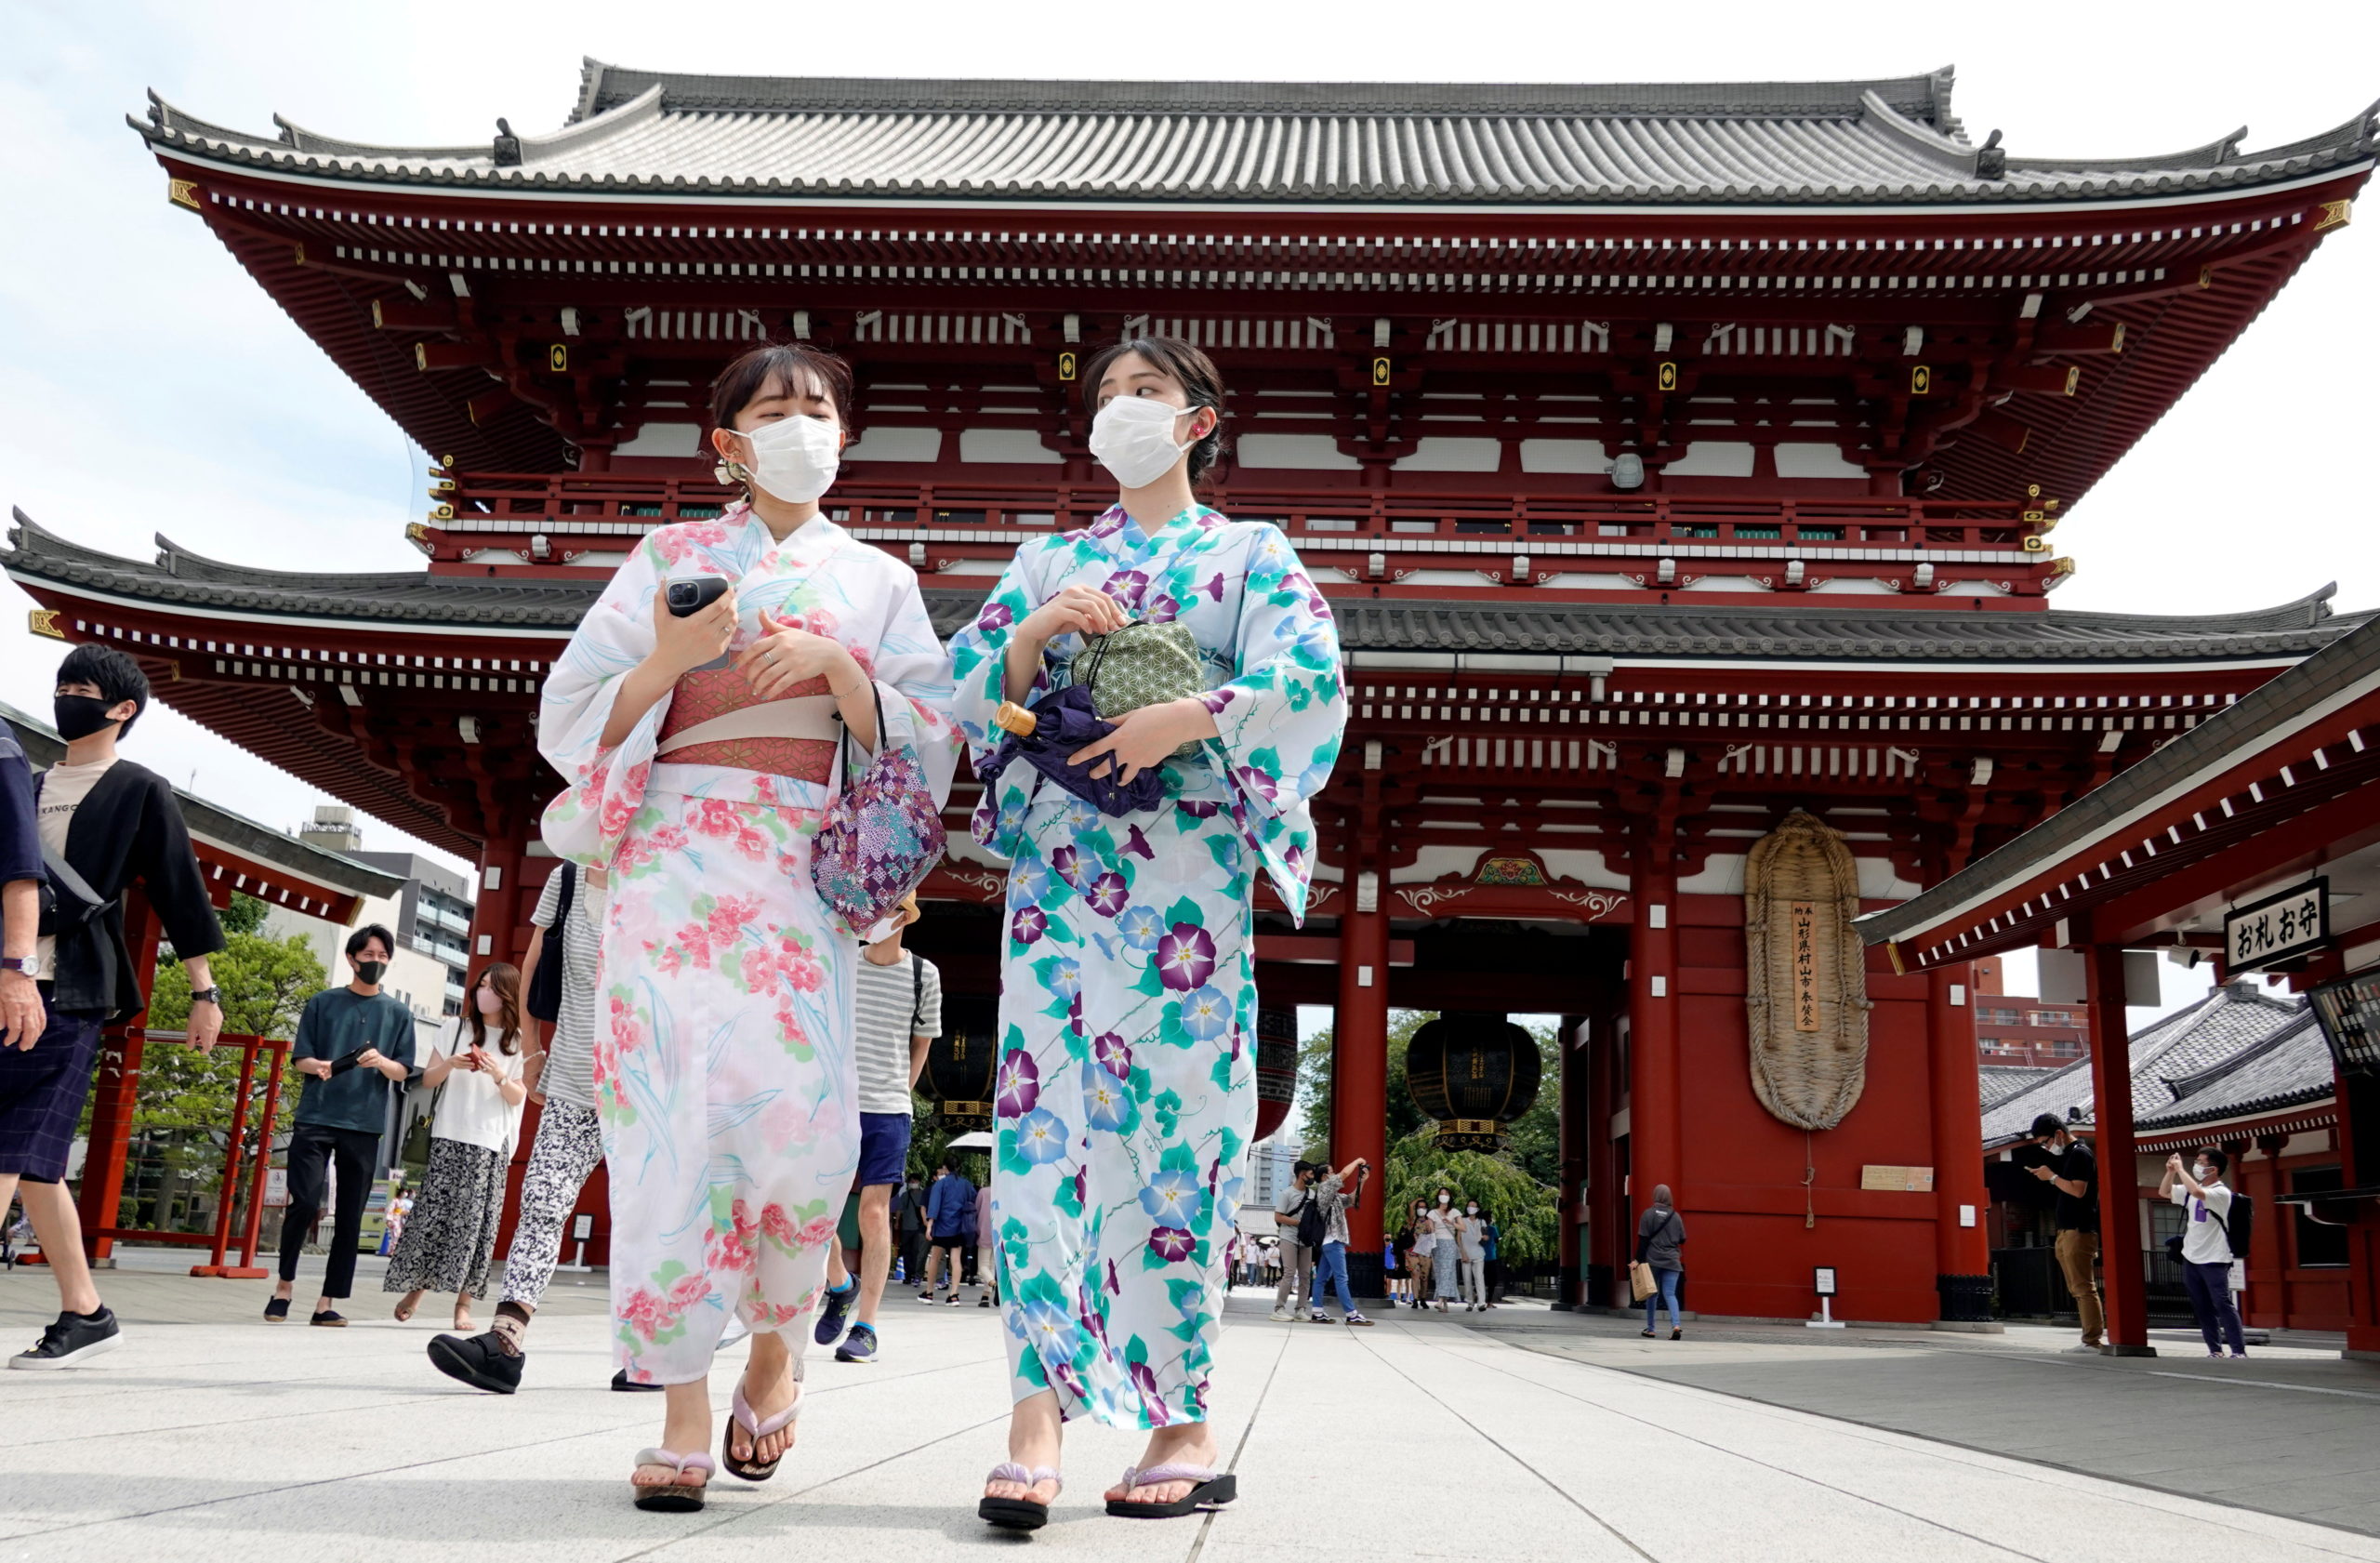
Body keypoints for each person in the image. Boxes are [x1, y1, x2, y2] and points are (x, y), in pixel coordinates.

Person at [537, 339, 959, 1510]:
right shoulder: (666, 557)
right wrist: (671, 657)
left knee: (799, 1122)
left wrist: (840, 670)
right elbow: (570, 718)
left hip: (795, 867)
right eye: (775, 411)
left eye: (819, 409)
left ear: (844, 436)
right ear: (728, 443)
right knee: (665, 1119)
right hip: (669, 856)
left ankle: (775, 1345)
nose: (801, 427)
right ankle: (679, 1400)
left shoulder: (877, 579)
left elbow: (934, 731)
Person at [949, 334, 1345, 1526]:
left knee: (1180, 1132)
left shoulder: (1250, 554)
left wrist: (1194, 713)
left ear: (1198, 422)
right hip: (1064, 873)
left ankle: (1183, 1419)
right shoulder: (1047, 559)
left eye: (1146, 392)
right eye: (1107, 394)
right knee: (1039, 1130)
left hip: (1186, 880)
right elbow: (966, 692)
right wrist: (1031, 636)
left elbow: (1311, 680)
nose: (1120, 407)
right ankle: (1034, 1413)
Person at [2, 647, 225, 1369]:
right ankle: (87, 1311)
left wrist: (203, 992)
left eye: (82, 687)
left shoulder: (139, 788)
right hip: (9, 979)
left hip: (71, 990)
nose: (66, 696)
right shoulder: (28, 782)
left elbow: (179, 887)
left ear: (122, 708)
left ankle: (86, 1313)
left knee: (10, 1145)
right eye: (61, 684)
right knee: (36, 1165)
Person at [429, 862, 656, 1395]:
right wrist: (531, 1049)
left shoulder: (662, 871)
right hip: (574, 1078)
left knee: (647, 1217)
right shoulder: (567, 879)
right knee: (542, 1202)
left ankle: (651, 1353)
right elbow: (530, 968)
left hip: (649, 1090)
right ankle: (504, 1344)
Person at [815, 895, 941, 1362]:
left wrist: (899, 1094)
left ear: (903, 916)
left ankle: (866, 1326)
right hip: (835, 1102)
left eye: (884, 909)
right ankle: (839, 1285)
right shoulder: (844, 961)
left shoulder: (923, 974)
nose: (872, 917)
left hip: (887, 1109)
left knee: (873, 1212)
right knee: (814, 1212)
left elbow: (922, 1044)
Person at [269, 925, 415, 1326]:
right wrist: (320, 1066)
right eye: (369, 955)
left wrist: (381, 1062)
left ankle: (326, 1302)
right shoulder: (322, 1002)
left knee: (350, 1215)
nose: (376, 962)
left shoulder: (399, 1014)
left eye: (383, 956)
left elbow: (403, 1070)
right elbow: (301, 1058)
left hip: (364, 1124)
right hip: (315, 1116)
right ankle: (283, 1287)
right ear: (351, 959)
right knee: (304, 1200)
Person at [386, 962, 529, 1331]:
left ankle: (463, 1306)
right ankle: (415, 1292)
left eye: (492, 988)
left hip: (490, 1143)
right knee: (433, 1218)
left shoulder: (518, 1041)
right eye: (481, 985)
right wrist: (451, 1063)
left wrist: (497, 1074)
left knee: (476, 1228)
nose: (483, 993)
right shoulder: (455, 1029)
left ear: (507, 995)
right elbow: (429, 1081)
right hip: (449, 1135)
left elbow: (518, 1097)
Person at [2027, 1111, 2104, 1353]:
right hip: (2067, 1229)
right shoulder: (2070, 1154)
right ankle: (2089, 1339)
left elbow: (2078, 1190)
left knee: (2083, 1287)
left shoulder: (2080, 1153)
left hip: (2079, 1229)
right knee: (2077, 1288)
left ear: (2058, 1134)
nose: (2046, 1147)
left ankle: (2092, 1341)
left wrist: (2051, 1177)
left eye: (2045, 1142)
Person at [2162, 1147, 2248, 1359]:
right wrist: (2170, 1172)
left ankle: (2238, 1350)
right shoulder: (2192, 1189)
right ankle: (2214, 1349)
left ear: (2213, 1169)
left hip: (2215, 1257)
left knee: (2222, 1302)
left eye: (2201, 1162)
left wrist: (2181, 1170)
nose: (2197, 1165)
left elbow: (2198, 1194)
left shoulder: (2221, 1193)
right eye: (2197, 1161)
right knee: (2201, 1305)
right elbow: (2164, 1192)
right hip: (2191, 1256)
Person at [1305, 1158, 1372, 1326]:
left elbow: (1351, 1199)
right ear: (1324, 1177)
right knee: (1342, 1278)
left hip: (1328, 1242)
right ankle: (1351, 1313)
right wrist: (1357, 1160)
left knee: (1321, 1279)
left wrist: (1362, 1181)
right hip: (1333, 1241)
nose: (1334, 1174)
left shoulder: (1333, 1196)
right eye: (1331, 1172)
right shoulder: (1324, 1188)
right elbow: (1344, 1174)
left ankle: (1317, 1312)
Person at [919, 1157, 976, 1303]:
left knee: (935, 1258)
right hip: (959, 1227)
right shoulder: (966, 1184)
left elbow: (934, 1205)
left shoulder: (940, 1184)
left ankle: (929, 1292)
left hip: (941, 1227)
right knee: (956, 1260)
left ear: (945, 1168)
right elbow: (973, 1201)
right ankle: (954, 1294)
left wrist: (929, 1225)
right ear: (959, 1167)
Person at [1269, 1160, 1318, 1322]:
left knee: (1305, 1275)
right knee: (1289, 1273)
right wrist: (1300, 1223)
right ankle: (1279, 1309)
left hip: (1306, 1239)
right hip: (1288, 1237)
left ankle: (1300, 1310)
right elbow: (1278, 1217)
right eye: (1311, 1174)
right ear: (1302, 1175)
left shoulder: (1312, 1194)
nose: (1313, 1177)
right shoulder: (1287, 1193)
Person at [1636, 1185, 1686, 1339]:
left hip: (1653, 1260)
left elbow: (1643, 1240)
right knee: (1670, 1294)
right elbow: (1683, 1239)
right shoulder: (1676, 1216)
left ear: (1655, 1196)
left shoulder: (1648, 1214)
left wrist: (1637, 1260)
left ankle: (1651, 1329)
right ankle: (1676, 1325)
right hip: (1672, 1260)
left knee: (1652, 1294)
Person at [1423, 1188, 1462, 1313]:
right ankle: (1445, 1304)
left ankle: (1440, 1300)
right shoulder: (1432, 1213)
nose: (1443, 1196)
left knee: (1446, 1270)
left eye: (1446, 1194)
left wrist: (1452, 1223)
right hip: (1437, 1244)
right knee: (1441, 1272)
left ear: (1450, 1197)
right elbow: (1431, 1230)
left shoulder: (1455, 1212)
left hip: (1450, 1243)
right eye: (1441, 1194)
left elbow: (1463, 1227)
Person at [1455, 1198, 1488, 1312]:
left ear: (1477, 1208)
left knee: (1479, 1278)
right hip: (1466, 1254)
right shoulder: (1462, 1220)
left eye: (1474, 1206)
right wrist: (1462, 1253)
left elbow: (1486, 1236)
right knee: (1467, 1279)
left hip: (1478, 1253)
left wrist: (1485, 1237)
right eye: (1469, 1206)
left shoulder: (1482, 1221)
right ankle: (1469, 1302)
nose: (1471, 1208)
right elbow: (1458, 1238)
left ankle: (1481, 1303)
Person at [895, 1172, 929, 1286]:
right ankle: (908, 1275)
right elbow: (899, 1209)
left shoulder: (924, 1195)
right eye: (911, 1181)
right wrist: (897, 1222)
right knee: (906, 1252)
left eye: (915, 1181)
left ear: (919, 1182)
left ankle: (916, 1274)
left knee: (917, 1251)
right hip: (906, 1227)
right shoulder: (905, 1195)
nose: (913, 1183)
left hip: (919, 1228)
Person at [1402, 1199, 1435, 1306]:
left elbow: (1433, 1237)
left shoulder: (1430, 1221)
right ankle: (1415, 1299)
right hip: (1413, 1252)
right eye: (1419, 1207)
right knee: (1415, 1275)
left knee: (1424, 1277)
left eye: (1424, 1207)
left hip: (1425, 1252)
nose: (1422, 1209)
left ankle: (1423, 1298)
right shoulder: (1412, 1221)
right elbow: (1410, 1206)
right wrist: (1419, 1199)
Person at [1479, 1208, 1503, 1307]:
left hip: (1481, 1257)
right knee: (1492, 1280)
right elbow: (1497, 1240)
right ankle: (1489, 1301)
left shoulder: (1480, 1229)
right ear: (1489, 1218)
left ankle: (1477, 1293)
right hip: (1491, 1257)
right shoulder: (1493, 1229)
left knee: (1482, 1278)